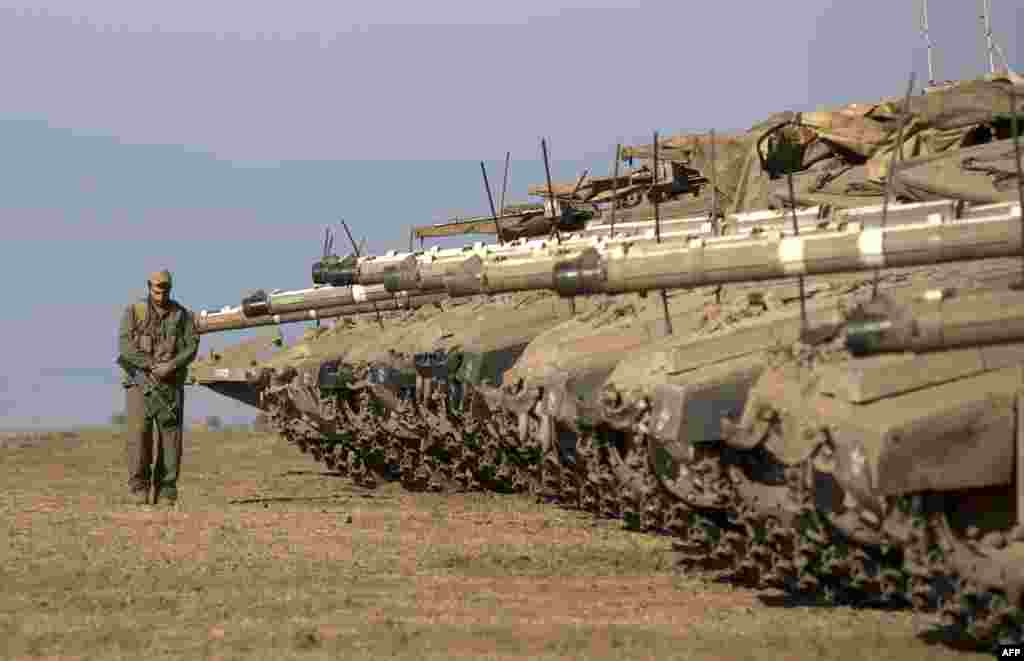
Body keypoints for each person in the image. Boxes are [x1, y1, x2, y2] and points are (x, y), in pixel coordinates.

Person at [117, 269, 199, 505]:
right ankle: (138, 488)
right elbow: (125, 347)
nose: (160, 294)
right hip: (140, 384)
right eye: (156, 289)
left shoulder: (181, 315)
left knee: (171, 438)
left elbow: (191, 345)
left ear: (170, 289)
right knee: (138, 435)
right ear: (148, 287)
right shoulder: (134, 312)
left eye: (165, 289)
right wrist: (152, 365)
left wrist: (172, 365)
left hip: (170, 385)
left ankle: (166, 491)